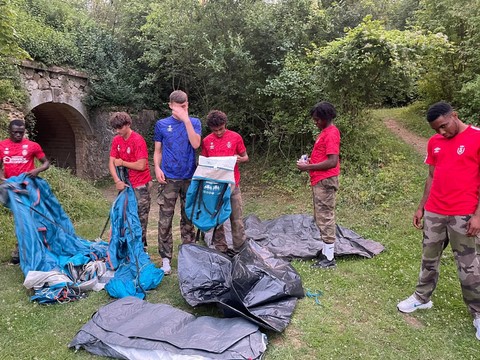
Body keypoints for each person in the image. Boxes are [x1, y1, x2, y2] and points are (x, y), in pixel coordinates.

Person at [397, 101, 480, 340]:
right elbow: (431, 176)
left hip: (463, 215)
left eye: (444, 126)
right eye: (436, 130)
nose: (441, 132)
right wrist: (421, 207)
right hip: (435, 211)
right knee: (429, 258)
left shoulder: (477, 138)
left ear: (454, 115)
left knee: (468, 265)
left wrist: (477, 215)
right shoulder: (435, 143)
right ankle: (422, 298)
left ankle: (478, 312)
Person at [153, 90, 201, 274]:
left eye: (185, 105)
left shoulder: (194, 122)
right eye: (180, 106)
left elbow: (196, 144)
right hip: (169, 179)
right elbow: (158, 150)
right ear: (170, 105)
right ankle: (165, 258)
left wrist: (186, 119)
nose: (183, 108)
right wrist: (157, 167)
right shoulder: (162, 124)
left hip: (189, 177)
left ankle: (188, 253)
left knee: (188, 217)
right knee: (165, 219)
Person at [297, 101, 340, 269]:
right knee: (320, 216)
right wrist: (309, 161)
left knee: (325, 216)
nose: (315, 122)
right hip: (319, 180)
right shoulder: (324, 132)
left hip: (325, 181)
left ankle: (329, 259)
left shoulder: (331, 134)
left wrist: (307, 167)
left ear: (325, 118)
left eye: (317, 119)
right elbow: (324, 157)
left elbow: (332, 161)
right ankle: (326, 252)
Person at [0, 119, 50, 263]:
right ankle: (20, 249)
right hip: (12, 189)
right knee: (21, 219)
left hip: (29, 188)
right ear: (9, 131)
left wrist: (37, 170)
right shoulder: (2, 146)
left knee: (33, 217)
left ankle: (35, 247)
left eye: (21, 132)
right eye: (15, 132)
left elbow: (46, 163)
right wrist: (3, 178)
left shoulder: (32, 146)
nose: (18, 135)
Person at [201, 110, 249, 255]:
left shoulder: (235, 137)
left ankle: (240, 249)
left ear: (225, 124)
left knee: (237, 218)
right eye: (215, 130)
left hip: (233, 184)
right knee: (217, 219)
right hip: (216, 186)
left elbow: (245, 157)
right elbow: (204, 162)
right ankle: (221, 249)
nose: (219, 133)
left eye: (221, 129)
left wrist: (240, 159)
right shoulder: (207, 141)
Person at [109, 112, 152, 251]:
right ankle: (127, 248)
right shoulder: (117, 140)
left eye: (120, 128)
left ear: (128, 125)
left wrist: (122, 162)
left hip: (140, 185)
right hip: (124, 184)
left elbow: (141, 165)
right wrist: (117, 181)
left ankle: (141, 249)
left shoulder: (138, 140)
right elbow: (111, 162)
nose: (117, 131)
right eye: (115, 128)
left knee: (140, 218)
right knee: (124, 216)